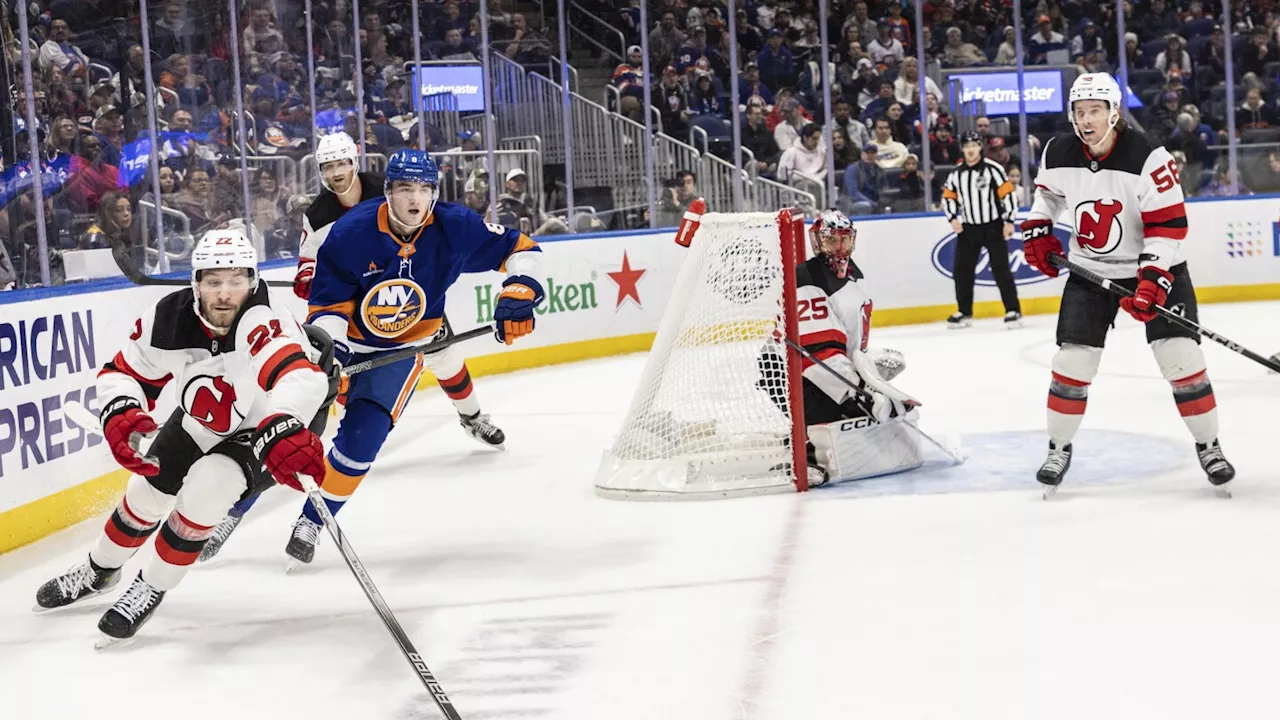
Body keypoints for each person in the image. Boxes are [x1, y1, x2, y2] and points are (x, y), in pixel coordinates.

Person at [200, 141, 510, 561]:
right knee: (292, 429)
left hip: (405, 316)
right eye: (328, 166)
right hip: (345, 320)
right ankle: (232, 511)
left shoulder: (393, 189)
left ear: (356, 162)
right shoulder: (322, 214)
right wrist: (311, 282)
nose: (336, 171)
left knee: (441, 363)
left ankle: (471, 416)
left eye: (342, 162)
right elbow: (312, 259)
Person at [33, 229, 335, 642]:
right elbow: (123, 372)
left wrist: (285, 422)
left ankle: (151, 585)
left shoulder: (266, 320)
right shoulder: (170, 317)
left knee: (209, 486)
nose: (225, 294)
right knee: (146, 491)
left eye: (236, 281)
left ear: (253, 281)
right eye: (213, 282)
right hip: (204, 417)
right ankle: (99, 570)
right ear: (195, 283)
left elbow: (299, 376)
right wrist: (121, 410)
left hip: (266, 427)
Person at [285, 149, 544, 566]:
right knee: (289, 422)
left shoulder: (454, 225)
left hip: (404, 348)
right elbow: (327, 306)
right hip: (348, 344)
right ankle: (232, 506)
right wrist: (333, 353)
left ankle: (313, 519)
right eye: (405, 188)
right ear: (388, 191)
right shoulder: (350, 232)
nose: (414, 199)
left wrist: (521, 288)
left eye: (424, 189)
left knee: (362, 440)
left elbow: (523, 247)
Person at [1020, 72, 1234, 491]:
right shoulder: (1058, 150)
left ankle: (1209, 445)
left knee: (1181, 359)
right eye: (1080, 111)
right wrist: (1038, 225)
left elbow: (1168, 226)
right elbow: (1048, 195)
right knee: (1071, 363)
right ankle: (1058, 448)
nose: (1087, 120)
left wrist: (1152, 278)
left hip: (1156, 268)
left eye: (1095, 111)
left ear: (1114, 113)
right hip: (1090, 270)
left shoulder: (1149, 156)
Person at [762, 210, 919, 485]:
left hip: (825, 369)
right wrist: (856, 392)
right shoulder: (807, 278)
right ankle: (805, 452)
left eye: (845, 240)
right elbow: (819, 353)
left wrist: (867, 375)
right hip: (792, 372)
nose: (840, 248)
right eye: (832, 240)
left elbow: (844, 342)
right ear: (817, 241)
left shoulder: (852, 273)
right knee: (854, 411)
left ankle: (810, 431)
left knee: (867, 407)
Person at [941, 130, 1021, 329]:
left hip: (993, 226)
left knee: (1001, 269)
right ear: (962, 149)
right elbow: (948, 197)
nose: (970, 150)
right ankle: (964, 312)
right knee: (962, 271)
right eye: (967, 146)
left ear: (980, 147)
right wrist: (952, 217)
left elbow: (1008, 195)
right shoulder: (957, 173)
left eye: (974, 146)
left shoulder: (993, 169)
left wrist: (1009, 221)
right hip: (968, 229)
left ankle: (1013, 310)